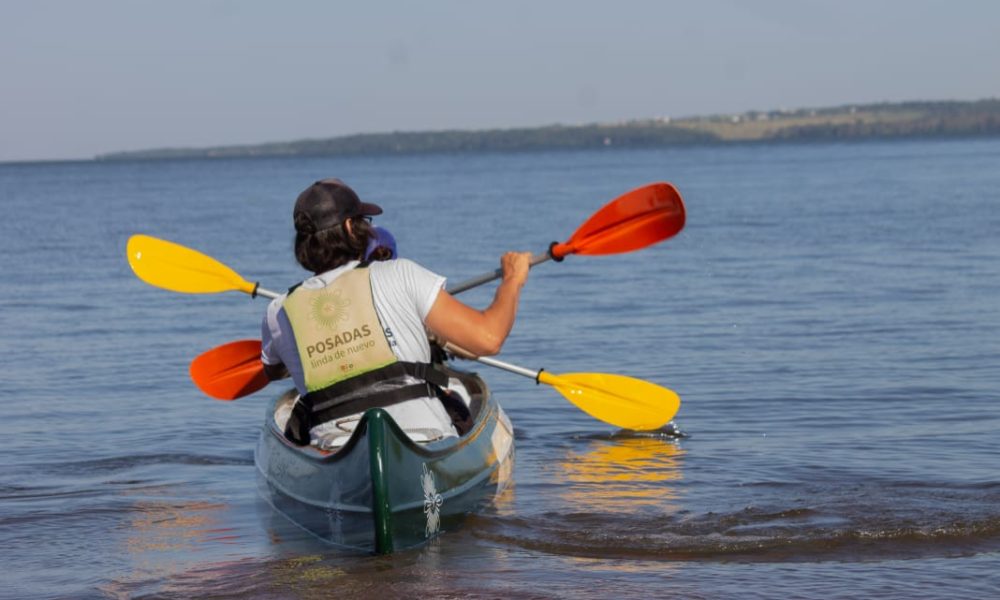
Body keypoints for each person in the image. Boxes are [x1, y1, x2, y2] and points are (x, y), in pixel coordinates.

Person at [261, 178, 531, 446]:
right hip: (425, 436)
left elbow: (273, 372)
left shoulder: (278, 311)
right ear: (349, 228)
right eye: (363, 220)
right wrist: (512, 280)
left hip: (334, 446)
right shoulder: (401, 273)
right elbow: (489, 339)